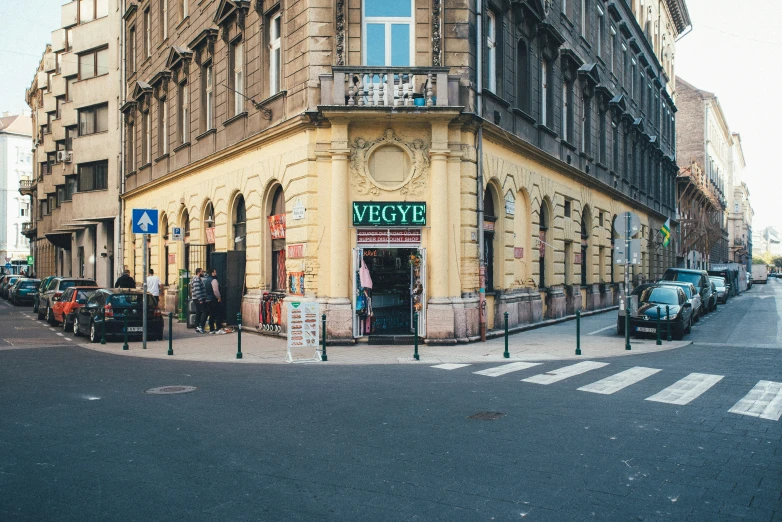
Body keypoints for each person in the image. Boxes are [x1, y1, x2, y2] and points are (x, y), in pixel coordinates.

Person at [203, 269, 222, 333]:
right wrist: (219, 297)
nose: (216, 273)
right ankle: (218, 327)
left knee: (211, 314)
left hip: (208, 299)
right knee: (217, 314)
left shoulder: (207, 280)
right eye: (215, 272)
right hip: (214, 299)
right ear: (212, 273)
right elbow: (215, 290)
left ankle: (211, 328)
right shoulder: (214, 280)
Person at [190, 268, 207, 334]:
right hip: (198, 299)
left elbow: (205, 275)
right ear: (199, 272)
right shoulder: (196, 280)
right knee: (205, 311)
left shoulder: (198, 279)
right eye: (202, 272)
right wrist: (200, 299)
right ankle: (201, 326)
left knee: (199, 312)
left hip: (197, 298)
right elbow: (197, 290)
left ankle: (197, 326)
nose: (203, 273)